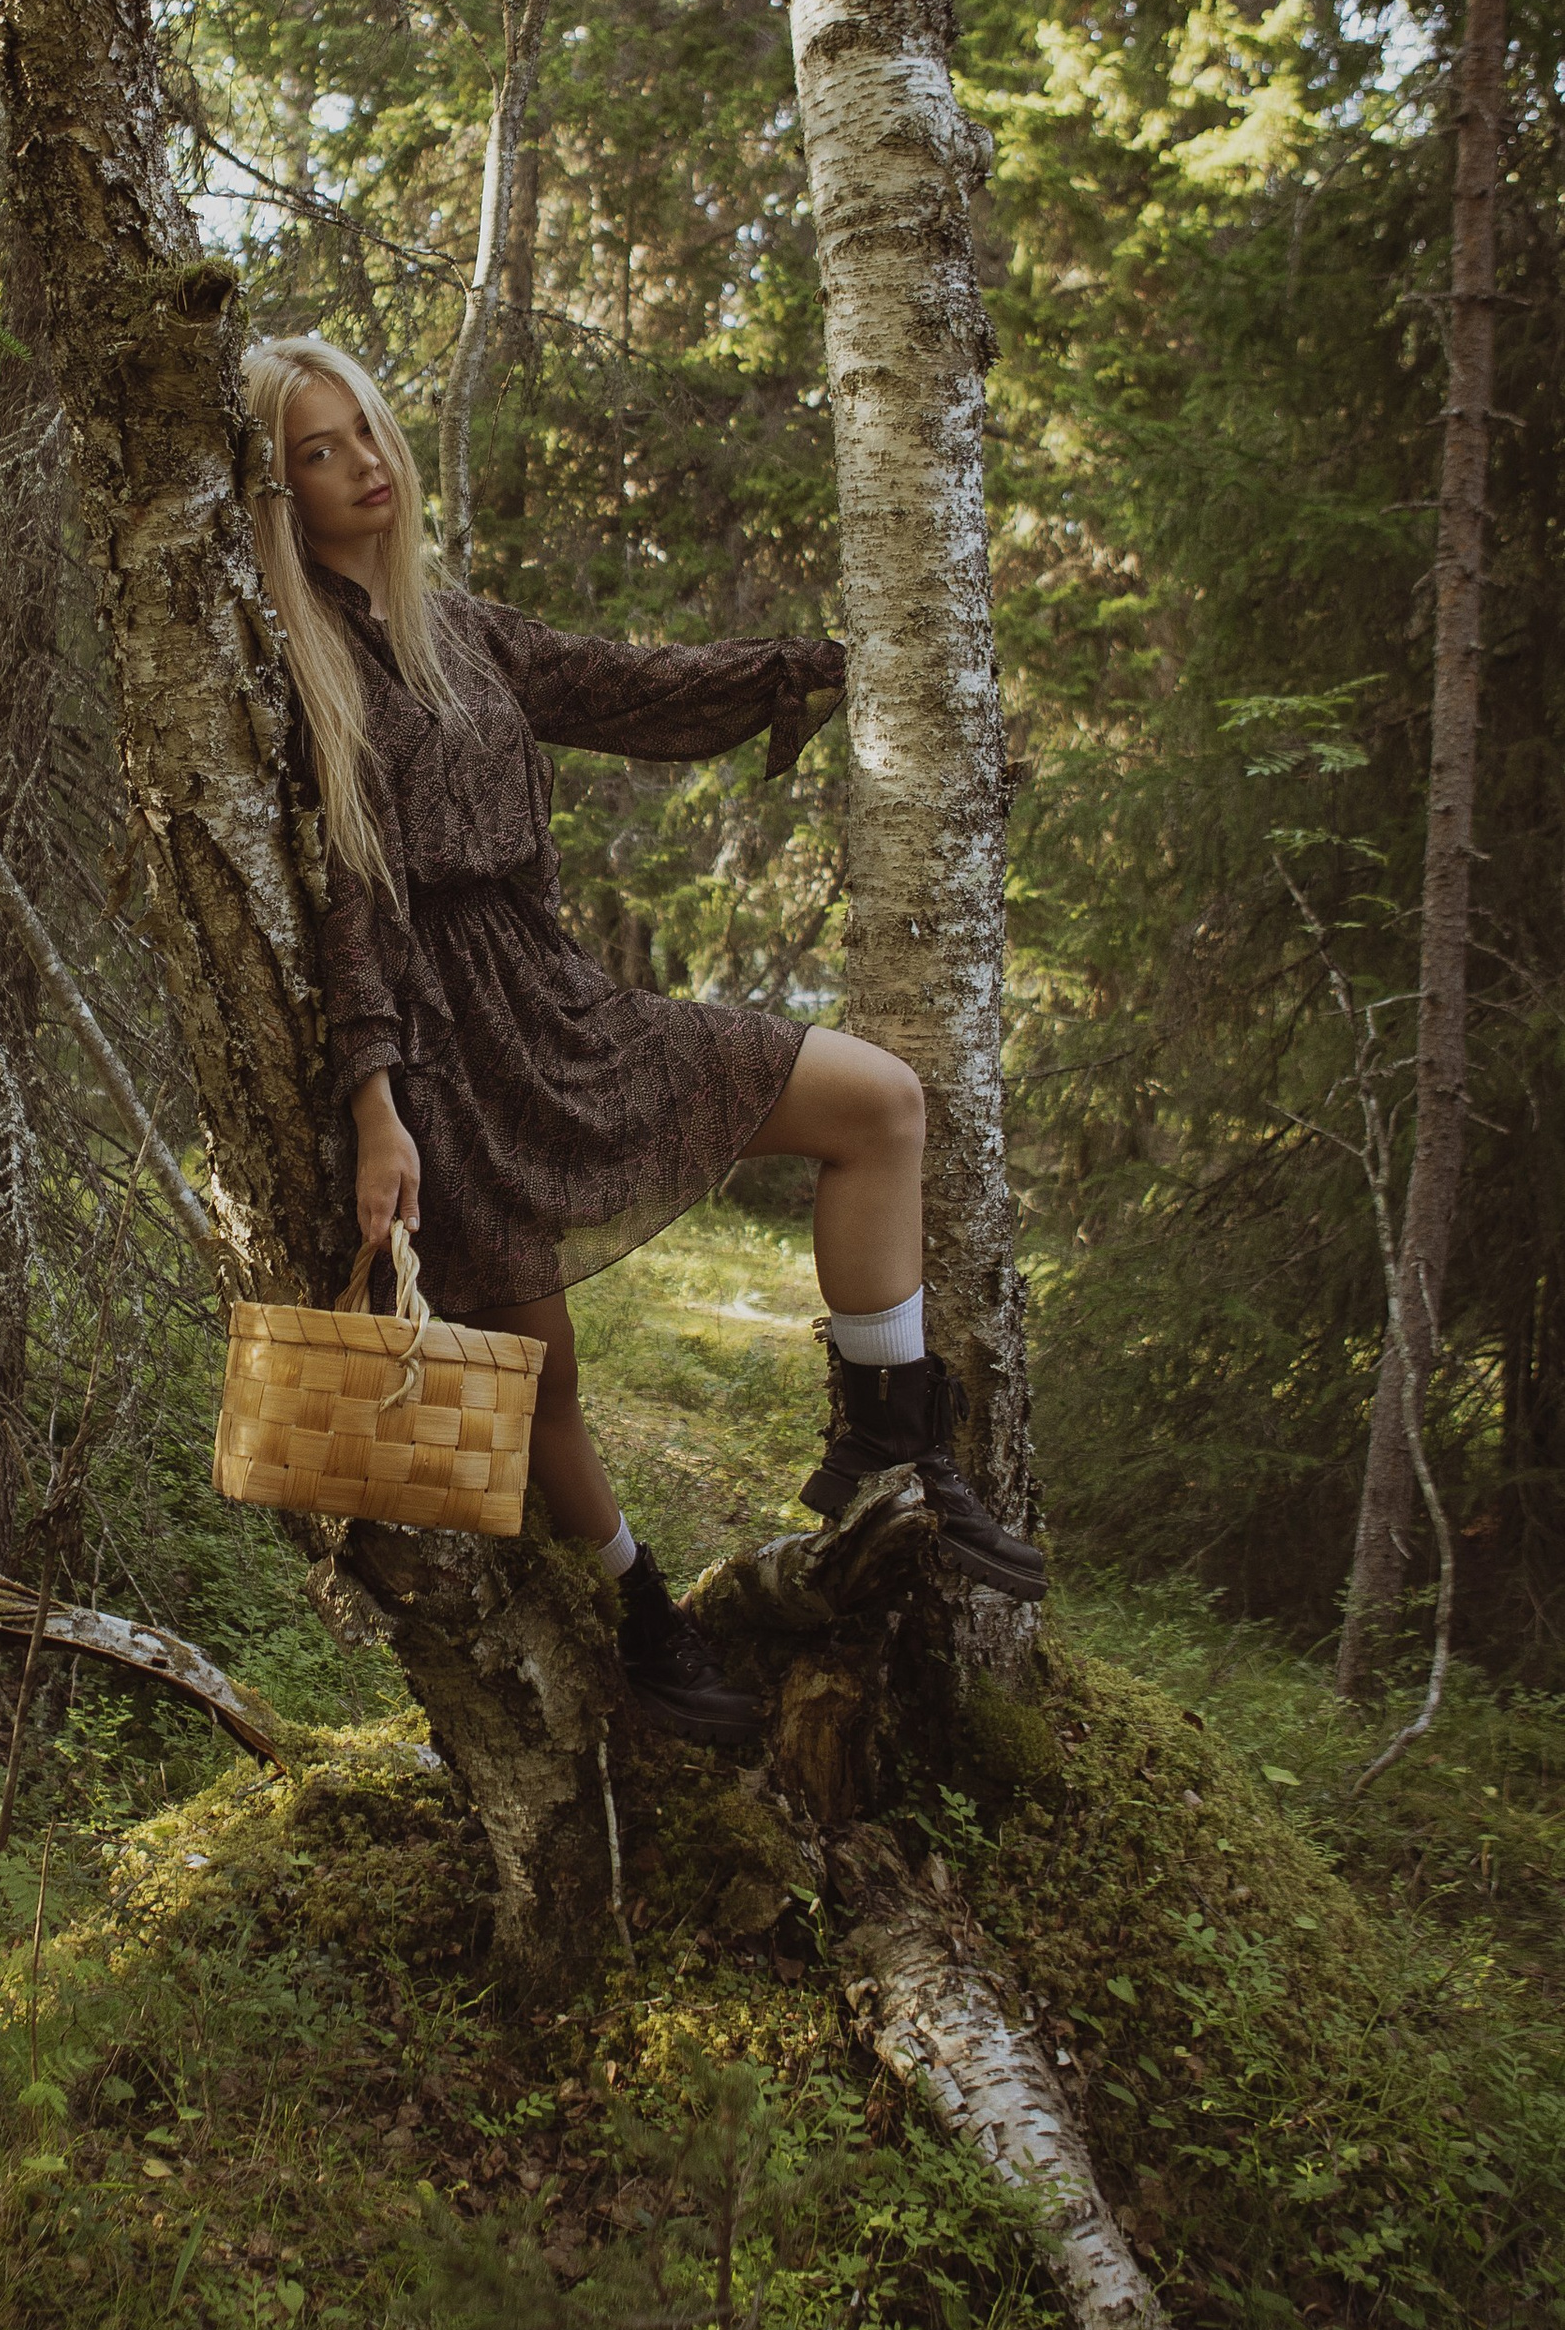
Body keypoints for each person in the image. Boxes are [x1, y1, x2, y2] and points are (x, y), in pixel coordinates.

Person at [242, 330, 1046, 1743]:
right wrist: (377, 1108)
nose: (365, 464)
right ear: (278, 488)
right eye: (320, 450)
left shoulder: (460, 629)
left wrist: (830, 666)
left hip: (564, 1005)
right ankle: (646, 1624)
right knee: (540, 1377)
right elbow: (351, 910)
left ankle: (892, 1442)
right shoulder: (298, 668)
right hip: (450, 1061)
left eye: (366, 429)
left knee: (877, 1103)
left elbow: (634, 687)